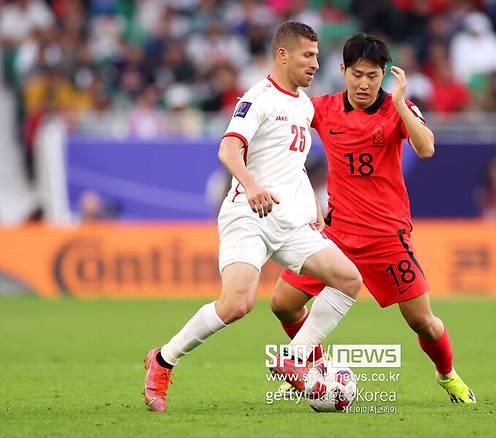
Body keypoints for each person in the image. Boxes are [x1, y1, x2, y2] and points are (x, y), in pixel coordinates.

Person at [142, 21, 363, 412]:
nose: (316, 64)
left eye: (316, 55)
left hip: (290, 222)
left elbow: (290, 160)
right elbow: (228, 150)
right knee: (236, 305)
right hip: (249, 215)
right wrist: (252, 185)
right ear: (283, 55)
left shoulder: (303, 104)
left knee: (348, 278)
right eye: (308, 55)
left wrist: (312, 200)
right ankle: (162, 361)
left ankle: (296, 359)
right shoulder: (257, 98)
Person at [270, 33, 476, 404]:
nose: (365, 84)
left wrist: (398, 103)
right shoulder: (322, 108)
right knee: (283, 303)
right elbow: (284, 110)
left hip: (387, 238)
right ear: (342, 70)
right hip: (336, 235)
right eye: (357, 74)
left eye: (373, 76)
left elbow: (427, 148)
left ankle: (447, 375)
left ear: (385, 75)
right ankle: (310, 368)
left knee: (422, 323)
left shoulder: (399, 108)